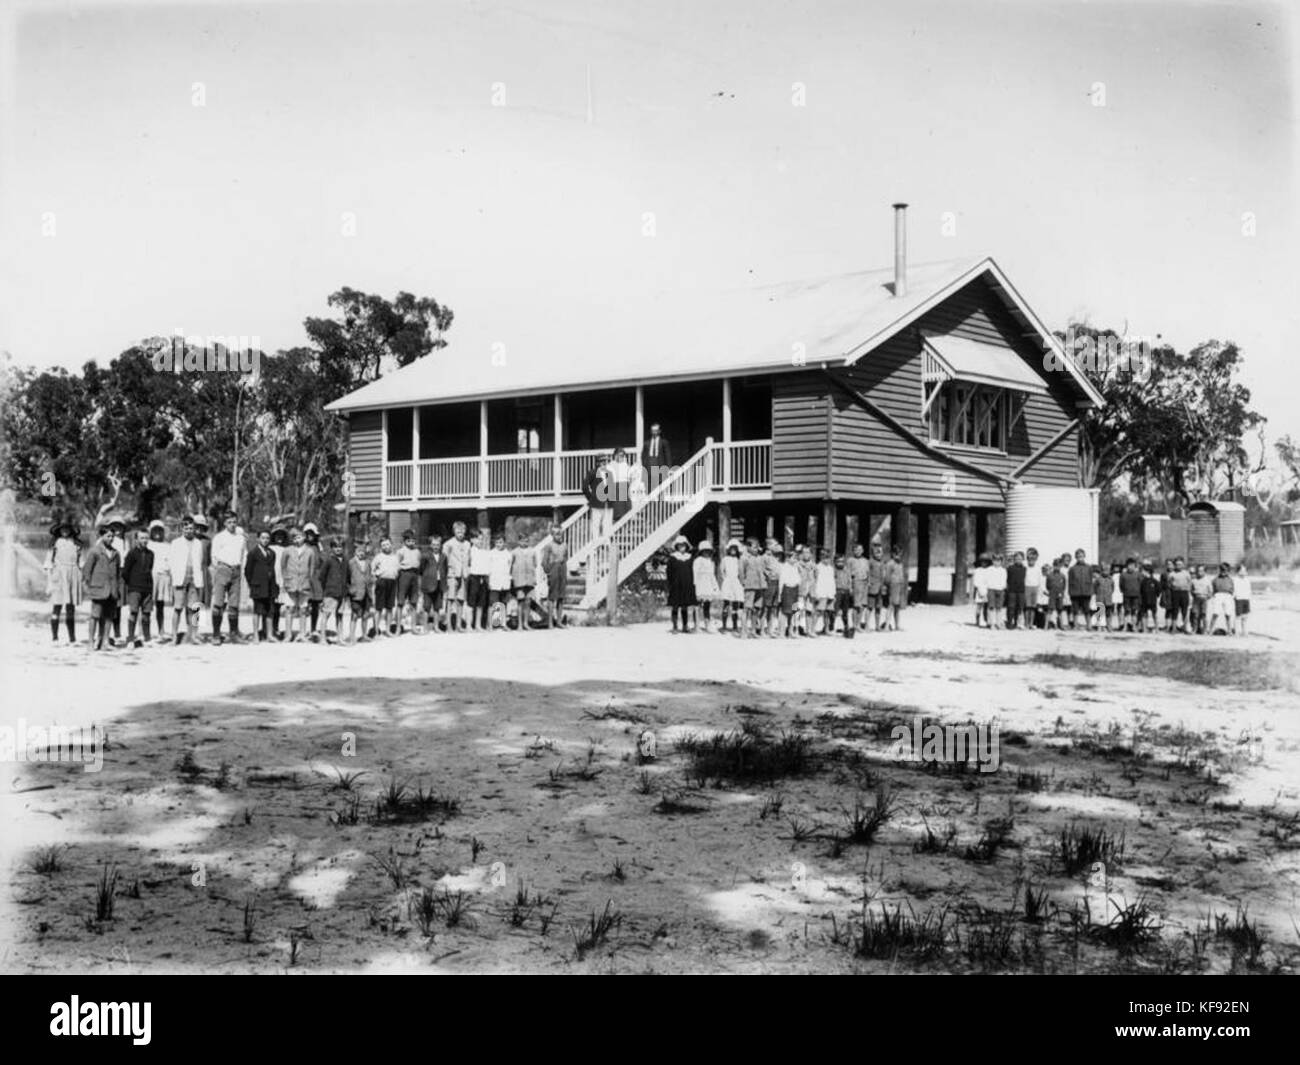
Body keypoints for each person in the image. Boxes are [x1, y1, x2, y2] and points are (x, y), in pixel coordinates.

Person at [81, 524, 121, 652]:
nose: (111, 538)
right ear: (102, 536)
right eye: (108, 536)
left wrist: (117, 588)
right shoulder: (95, 551)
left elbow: (118, 573)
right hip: (98, 589)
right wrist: (87, 586)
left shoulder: (116, 553)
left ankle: (105, 641)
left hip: (112, 590)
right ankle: (91, 642)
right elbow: (87, 570)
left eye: (112, 536)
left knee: (109, 616)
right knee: (95, 616)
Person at [209, 512, 247, 645]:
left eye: (234, 522)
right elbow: (213, 556)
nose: (232, 524)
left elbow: (243, 555)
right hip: (222, 569)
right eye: (229, 522)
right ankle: (216, 634)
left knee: (234, 604)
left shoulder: (240, 538)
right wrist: (219, 569)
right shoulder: (219, 537)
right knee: (218, 603)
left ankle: (233, 634)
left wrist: (240, 569)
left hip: (236, 571)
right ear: (225, 523)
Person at [168, 516, 207, 644]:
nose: (188, 531)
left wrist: (198, 578)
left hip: (195, 578)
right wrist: (175, 577)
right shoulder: (176, 543)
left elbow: (200, 562)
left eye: (191, 528)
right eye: (186, 528)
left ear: (194, 529)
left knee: (195, 608)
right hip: (180, 578)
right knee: (178, 608)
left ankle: (194, 635)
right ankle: (174, 636)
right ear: (182, 529)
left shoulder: (198, 543)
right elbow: (171, 561)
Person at [44, 521, 82, 644]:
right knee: (57, 606)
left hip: (72, 575)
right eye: (62, 529)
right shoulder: (55, 544)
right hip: (59, 576)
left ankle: (72, 638)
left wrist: (81, 577)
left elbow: (81, 562)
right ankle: (55, 637)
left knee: (70, 607)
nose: (65, 531)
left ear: (71, 530)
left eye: (67, 528)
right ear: (58, 530)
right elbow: (48, 564)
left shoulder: (76, 544)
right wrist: (49, 582)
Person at [282, 526, 319, 642]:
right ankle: (288, 634)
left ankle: (302, 634)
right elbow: (283, 566)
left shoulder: (310, 551)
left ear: (303, 537)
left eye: (298, 537)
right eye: (294, 538)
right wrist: (286, 579)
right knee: (289, 608)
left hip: (304, 583)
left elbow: (312, 568)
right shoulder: (287, 550)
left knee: (304, 609)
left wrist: (309, 579)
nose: (296, 540)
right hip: (291, 583)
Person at [121, 528, 155, 648]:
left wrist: (149, 586)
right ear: (136, 540)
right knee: (133, 613)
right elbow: (125, 572)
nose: (144, 540)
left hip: (147, 588)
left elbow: (149, 569)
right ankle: (130, 638)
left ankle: (147, 637)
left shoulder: (151, 554)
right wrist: (132, 584)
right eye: (142, 538)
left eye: (146, 538)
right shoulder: (131, 554)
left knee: (146, 614)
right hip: (134, 588)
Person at [244, 529, 280, 643]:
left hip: (270, 586)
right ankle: (255, 635)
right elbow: (247, 571)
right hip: (258, 586)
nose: (265, 540)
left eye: (267, 538)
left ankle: (269, 634)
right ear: (258, 539)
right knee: (257, 610)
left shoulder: (272, 553)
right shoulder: (253, 553)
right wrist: (253, 584)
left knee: (270, 611)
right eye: (263, 538)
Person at [537, 523, 569, 629]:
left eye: (560, 534)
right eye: (556, 534)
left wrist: (563, 568)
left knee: (561, 597)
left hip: (562, 569)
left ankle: (559, 622)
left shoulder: (565, 545)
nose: (558, 536)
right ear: (552, 535)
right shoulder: (549, 546)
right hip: (553, 569)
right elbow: (543, 562)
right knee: (552, 597)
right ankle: (550, 622)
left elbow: (565, 557)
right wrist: (549, 572)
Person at [441, 521, 471, 632]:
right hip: (452, 574)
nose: (460, 533)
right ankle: (448, 624)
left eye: (462, 531)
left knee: (461, 599)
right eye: (458, 531)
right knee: (450, 599)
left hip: (463, 575)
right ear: (454, 531)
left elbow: (469, 560)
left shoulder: (468, 544)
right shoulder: (448, 544)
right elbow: (444, 561)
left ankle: (458, 624)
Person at [318, 536, 349, 643]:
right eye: (335, 547)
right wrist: (326, 590)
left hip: (342, 593)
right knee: (326, 614)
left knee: (340, 615)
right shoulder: (329, 561)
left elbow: (347, 576)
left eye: (340, 547)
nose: (338, 549)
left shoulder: (345, 561)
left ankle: (340, 638)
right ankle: (322, 638)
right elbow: (321, 577)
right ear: (332, 548)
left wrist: (346, 590)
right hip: (330, 592)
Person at [666, 536, 697, 633]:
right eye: (680, 545)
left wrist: (693, 583)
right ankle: (675, 626)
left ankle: (685, 625)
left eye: (683, 545)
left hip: (687, 584)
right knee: (675, 605)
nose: (682, 547)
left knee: (685, 606)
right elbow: (669, 572)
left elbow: (693, 571)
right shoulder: (673, 557)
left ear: (686, 546)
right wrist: (671, 583)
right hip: (676, 584)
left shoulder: (690, 558)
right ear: (676, 546)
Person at [371, 536, 401, 636]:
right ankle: (376, 630)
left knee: (390, 607)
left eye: (387, 544)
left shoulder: (395, 557)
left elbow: (398, 570)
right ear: (381, 547)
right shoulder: (378, 557)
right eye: (383, 545)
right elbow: (372, 569)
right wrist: (376, 578)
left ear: (391, 544)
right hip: (382, 582)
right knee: (379, 607)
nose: (386, 547)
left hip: (392, 582)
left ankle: (388, 629)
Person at [347, 541, 375, 643]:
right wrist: (350, 589)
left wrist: (371, 582)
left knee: (366, 614)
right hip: (356, 593)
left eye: (363, 551)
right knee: (354, 615)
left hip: (367, 592)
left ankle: (364, 635)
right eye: (359, 551)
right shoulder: (351, 563)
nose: (361, 553)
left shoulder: (368, 562)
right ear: (355, 552)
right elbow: (347, 578)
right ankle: (352, 636)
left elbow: (370, 575)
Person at [148, 519, 171, 642]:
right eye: (154, 530)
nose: (157, 533)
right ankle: (144, 631)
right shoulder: (148, 544)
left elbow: (171, 562)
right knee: (146, 605)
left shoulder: (168, 546)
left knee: (160, 605)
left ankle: (196, 630)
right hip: (151, 576)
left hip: (163, 577)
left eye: (160, 530)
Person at [395, 529, 423, 634]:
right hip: (404, 574)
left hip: (414, 575)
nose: (411, 543)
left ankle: (413, 627)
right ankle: (398, 627)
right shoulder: (400, 551)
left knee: (414, 601)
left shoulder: (417, 551)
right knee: (401, 602)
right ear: (404, 541)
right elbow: (397, 564)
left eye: (413, 540)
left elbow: (419, 563)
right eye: (408, 541)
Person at [739, 538, 766, 639]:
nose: (757, 549)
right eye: (754, 547)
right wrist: (744, 583)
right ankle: (743, 631)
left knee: (757, 609)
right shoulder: (744, 558)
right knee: (747, 608)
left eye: (757, 547)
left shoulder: (760, 558)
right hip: (750, 586)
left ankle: (753, 630)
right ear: (748, 547)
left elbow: (763, 571)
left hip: (760, 586)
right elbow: (741, 573)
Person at [466, 528, 493, 631]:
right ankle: (469, 625)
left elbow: (488, 566)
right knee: (471, 603)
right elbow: (467, 564)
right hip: (473, 578)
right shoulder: (470, 551)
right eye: (477, 539)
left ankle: (478, 625)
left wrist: (488, 579)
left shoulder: (485, 552)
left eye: (481, 539)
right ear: (472, 540)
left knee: (481, 603)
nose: (480, 541)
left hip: (483, 578)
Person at [303, 522, 325, 640]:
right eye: (308, 534)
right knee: (303, 605)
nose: (310, 536)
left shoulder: (318, 547)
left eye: (312, 534)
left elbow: (322, 561)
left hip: (316, 578)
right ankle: (303, 630)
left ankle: (313, 629)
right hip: (305, 577)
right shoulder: (303, 546)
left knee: (315, 605)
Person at [693, 540, 721, 633]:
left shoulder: (711, 562)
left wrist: (715, 587)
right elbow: (695, 574)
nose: (707, 552)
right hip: (700, 584)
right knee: (698, 606)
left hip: (708, 585)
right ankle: (696, 625)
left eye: (708, 551)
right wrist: (695, 585)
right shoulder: (698, 561)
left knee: (707, 606)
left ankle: (707, 624)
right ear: (701, 551)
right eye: (705, 551)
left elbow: (712, 575)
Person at [583, 458, 614, 540]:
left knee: (607, 524)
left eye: (605, 461)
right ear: (597, 463)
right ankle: (595, 546)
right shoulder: (592, 473)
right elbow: (584, 487)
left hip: (608, 503)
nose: (604, 463)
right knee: (595, 524)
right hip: (596, 503)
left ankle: (606, 543)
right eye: (602, 461)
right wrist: (591, 498)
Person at [718, 539, 745, 634]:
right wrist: (725, 579)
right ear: (728, 549)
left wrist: (741, 582)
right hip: (728, 581)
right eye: (731, 548)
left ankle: (734, 625)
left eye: (735, 548)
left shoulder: (738, 560)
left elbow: (741, 572)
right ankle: (724, 625)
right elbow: (721, 570)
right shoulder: (725, 559)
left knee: (735, 604)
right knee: (726, 604)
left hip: (736, 582)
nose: (733, 550)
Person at [419, 534, 444, 634]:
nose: (435, 546)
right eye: (433, 544)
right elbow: (421, 569)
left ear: (440, 545)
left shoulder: (443, 556)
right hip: (428, 584)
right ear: (430, 545)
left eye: (437, 544)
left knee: (437, 607)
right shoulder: (425, 556)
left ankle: (436, 626)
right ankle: (425, 627)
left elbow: (444, 569)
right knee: (426, 607)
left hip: (439, 584)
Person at [640, 422, 674, 494]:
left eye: (656, 430)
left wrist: (669, 467)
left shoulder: (664, 442)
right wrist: (644, 466)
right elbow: (643, 456)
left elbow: (668, 456)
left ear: (659, 431)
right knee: (649, 487)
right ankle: (650, 502)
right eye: (653, 430)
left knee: (660, 487)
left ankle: (659, 502)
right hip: (649, 467)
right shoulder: (646, 443)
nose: (654, 432)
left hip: (660, 466)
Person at [269, 525, 290, 640]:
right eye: (277, 535)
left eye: (282, 535)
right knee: (269, 606)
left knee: (277, 606)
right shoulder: (270, 548)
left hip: (281, 578)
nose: (279, 537)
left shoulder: (286, 549)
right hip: (271, 577)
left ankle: (275, 628)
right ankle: (268, 629)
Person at [777, 545, 801, 637]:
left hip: (795, 590)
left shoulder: (795, 567)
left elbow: (799, 580)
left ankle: (791, 631)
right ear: (788, 558)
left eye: (796, 558)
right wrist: (780, 594)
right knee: (784, 612)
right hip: (787, 590)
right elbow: (781, 581)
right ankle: (781, 632)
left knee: (794, 611)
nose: (795, 560)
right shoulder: (784, 567)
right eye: (793, 558)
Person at [883, 544, 908, 631]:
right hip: (893, 586)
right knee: (891, 606)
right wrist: (888, 587)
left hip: (900, 586)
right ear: (893, 554)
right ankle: (886, 625)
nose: (898, 556)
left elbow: (902, 575)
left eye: (900, 554)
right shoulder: (890, 564)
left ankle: (897, 625)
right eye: (896, 554)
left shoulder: (901, 564)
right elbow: (886, 577)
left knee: (898, 607)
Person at [761, 539, 782, 637]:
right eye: (774, 544)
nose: (776, 546)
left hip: (777, 582)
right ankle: (761, 629)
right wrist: (769, 575)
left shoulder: (775, 558)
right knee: (766, 606)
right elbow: (763, 570)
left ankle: (770, 629)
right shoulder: (764, 557)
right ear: (768, 546)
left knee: (773, 607)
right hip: (769, 583)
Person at [1067, 549, 1092, 630]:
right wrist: (1070, 592)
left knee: (1087, 610)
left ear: (1084, 556)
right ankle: (1075, 625)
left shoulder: (1089, 567)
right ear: (1076, 557)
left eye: (1081, 556)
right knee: (1075, 610)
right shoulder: (1072, 568)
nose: (1080, 558)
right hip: (1075, 592)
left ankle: (1089, 625)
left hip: (1086, 592)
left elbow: (1091, 580)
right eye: (1078, 557)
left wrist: (1090, 591)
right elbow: (1070, 581)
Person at [814, 547, 837, 635]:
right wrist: (816, 593)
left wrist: (833, 593)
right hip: (821, 592)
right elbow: (815, 581)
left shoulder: (831, 568)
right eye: (824, 557)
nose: (826, 559)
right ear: (820, 557)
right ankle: (812, 629)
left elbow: (832, 581)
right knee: (818, 611)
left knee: (828, 612)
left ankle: (826, 629)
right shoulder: (818, 567)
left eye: (828, 557)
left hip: (830, 592)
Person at [607, 448, 633, 525]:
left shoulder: (626, 465)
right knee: (618, 508)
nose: (620, 457)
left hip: (625, 486)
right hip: (615, 486)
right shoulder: (610, 465)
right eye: (618, 455)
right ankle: (617, 521)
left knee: (626, 508)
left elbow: (630, 477)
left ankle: (626, 523)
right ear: (614, 456)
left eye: (622, 456)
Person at [1209, 563, 1236, 635]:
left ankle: (1229, 630)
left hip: (1227, 596)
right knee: (1215, 612)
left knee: (1228, 613)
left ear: (1228, 571)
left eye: (1225, 570)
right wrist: (1215, 595)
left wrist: (1230, 594)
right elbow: (1213, 588)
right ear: (1220, 570)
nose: (1223, 572)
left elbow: (1232, 589)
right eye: (1222, 570)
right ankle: (1210, 630)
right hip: (1218, 595)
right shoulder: (1215, 579)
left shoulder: (1230, 580)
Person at [1167, 556, 1192, 634]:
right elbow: (1169, 583)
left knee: (1185, 611)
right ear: (1175, 565)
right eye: (1177, 564)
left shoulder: (1186, 573)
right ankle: (1174, 629)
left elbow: (1190, 583)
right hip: (1175, 593)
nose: (1179, 566)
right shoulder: (1172, 574)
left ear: (1183, 565)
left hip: (1184, 593)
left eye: (1180, 564)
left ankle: (1185, 628)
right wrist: (1174, 588)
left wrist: (1187, 589)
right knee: (1175, 611)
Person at [833, 553, 855, 637]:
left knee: (845, 611)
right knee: (834, 610)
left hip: (846, 591)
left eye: (842, 561)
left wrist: (850, 589)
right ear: (835, 562)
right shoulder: (834, 570)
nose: (840, 563)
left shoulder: (847, 570)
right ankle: (830, 627)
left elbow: (849, 580)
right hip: (837, 591)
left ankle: (846, 626)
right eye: (838, 561)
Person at [1119, 558, 1142, 632]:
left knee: (1134, 611)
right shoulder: (1123, 575)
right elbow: (1121, 585)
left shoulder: (1138, 574)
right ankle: (1125, 626)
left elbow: (1141, 584)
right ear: (1126, 566)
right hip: (1126, 595)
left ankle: (1134, 626)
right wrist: (1124, 591)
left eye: (1132, 565)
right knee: (1126, 611)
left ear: (1135, 566)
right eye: (1129, 565)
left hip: (1136, 595)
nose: (1130, 567)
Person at [1005, 551, 1026, 630]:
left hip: (1021, 591)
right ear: (1014, 559)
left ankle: (1017, 622)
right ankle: (1009, 622)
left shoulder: (1024, 569)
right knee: (1011, 607)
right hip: (1012, 590)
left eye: (1020, 559)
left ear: (1023, 559)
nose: (1018, 560)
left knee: (1019, 607)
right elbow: (1007, 579)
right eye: (1017, 558)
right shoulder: (1010, 568)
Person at [1022, 547, 1042, 630]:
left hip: (1035, 588)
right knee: (1027, 607)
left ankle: (1031, 623)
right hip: (1027, 587)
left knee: (1033, 607)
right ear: (1027, 559)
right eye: (1029, 559)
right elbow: (1023, 578)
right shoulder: (1025, 568)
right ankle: (1026, 623)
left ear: (1036, 559)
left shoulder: (1038, 569)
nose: (1031, 560)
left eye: (1033, 559)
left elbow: (1039, 580)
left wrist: (1039, 591)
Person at [986, 553, 1007, 631]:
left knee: (999, 608)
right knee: (991, 607)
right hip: (991, 589)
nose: (996, 562)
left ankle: (999, 623)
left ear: (1001, 561)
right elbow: (986, 580)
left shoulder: (1003, 570)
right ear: (992, 561)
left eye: (998, 560)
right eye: (995, 560)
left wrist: (1002, 587)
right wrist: (987, 589)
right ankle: (992, 623)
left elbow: (1004, 580)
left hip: (1000, 590)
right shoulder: (989, 569)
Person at [1190, 564, 1212, 635]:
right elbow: (1191, 590)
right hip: (1196, 599)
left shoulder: (1207, 580)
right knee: (1195, 615)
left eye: (1202, 571)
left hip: (1204, 599)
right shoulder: (1194, 580)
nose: (1200, 572)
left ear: (1205, 572)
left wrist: (1207, 597)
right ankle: (1195, 629)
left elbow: (1210, 591)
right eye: (1198, 571)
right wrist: (1195, 595)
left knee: (1203, 615)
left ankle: (1204, 630)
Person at [1138, 563, 1160, 633]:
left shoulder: (1155, 581)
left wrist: (1155, 596)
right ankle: (1145, 628)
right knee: (1144, 614)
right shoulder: (1143, 581)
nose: (1142, 572)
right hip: (1144, 601)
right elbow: (1141, 591)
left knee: (1154, 615)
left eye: (1143, 571)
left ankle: (1157, 629)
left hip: (1153, 600)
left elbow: (1158, 590)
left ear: (1148, 572)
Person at [1045, 559, 1067, 630]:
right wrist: (1051, 591)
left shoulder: (1063, 576)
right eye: (1055, 566)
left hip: (1060, 594)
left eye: (1059, 566)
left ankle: (1061, 625)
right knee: (1050, 609)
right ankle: (1046, 626)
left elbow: (1064, 586)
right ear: (1053, 566)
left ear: (1061, 566)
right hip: (1052, 594)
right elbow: (1047, 585)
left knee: (1060, 610)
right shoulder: (1049, 575)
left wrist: (1061, 593)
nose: (1057, 567)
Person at [971, 553, 990, 628]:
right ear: (980, 562)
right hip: (979, 589)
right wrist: (979, 589)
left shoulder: (989, 570)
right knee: (979, 607)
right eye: (982, 561)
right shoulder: (977, 570)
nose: (984, 563)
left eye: (985, 561)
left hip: (987, 589)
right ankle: (977, 621)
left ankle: (987, 621)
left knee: (986, 607)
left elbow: (990, 580)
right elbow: (976, 582)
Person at [1233, 563, 1252, 637]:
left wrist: (1249, 597)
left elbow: (1249, 590)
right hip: (1239, 599)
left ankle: (1244, 631)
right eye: (1242, 570)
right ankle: (1236, 632)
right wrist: (1235, 597)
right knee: (1238, 616)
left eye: (1245, 570)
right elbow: (1234, 590)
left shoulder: (1247, 580)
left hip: (1246, 599)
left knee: (1245, 616)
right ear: (1238, 572)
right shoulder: (1235, 580)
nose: (1244, 572)